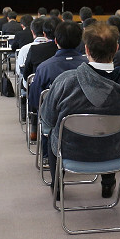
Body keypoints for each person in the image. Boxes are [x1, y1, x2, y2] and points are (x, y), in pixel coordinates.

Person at [40, 21, 120, 197]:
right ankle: (108, 184)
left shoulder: (66, 81)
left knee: (52, 133)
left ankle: (57, 186)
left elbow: (48, 118)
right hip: (114, 150)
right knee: (109, 131)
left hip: (70, 150)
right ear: (117, 48)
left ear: (86, 49)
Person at [28, 22, 86, 161]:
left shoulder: (44, 67)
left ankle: (48, 157)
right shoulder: (89, 66)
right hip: (86, 119)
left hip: (55, 121)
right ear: (80, 40)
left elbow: (35, 101)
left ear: (55, 41)